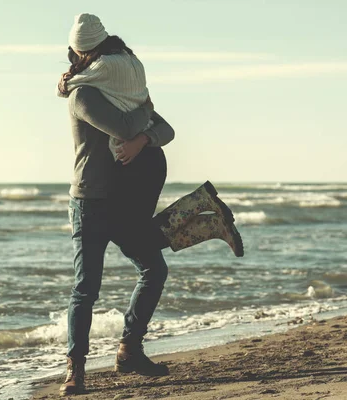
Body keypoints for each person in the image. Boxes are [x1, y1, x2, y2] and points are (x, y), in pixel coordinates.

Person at [56, 13, 244, 396]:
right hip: (90, 202)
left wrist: (144, 140)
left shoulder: (121, 93)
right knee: (86, 289)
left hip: (123, 202)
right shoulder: (84, 95)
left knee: (153, 269)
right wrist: (144, 114)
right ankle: (75, 370)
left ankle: (129, 350)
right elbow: (126, 127)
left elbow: (166, 129)